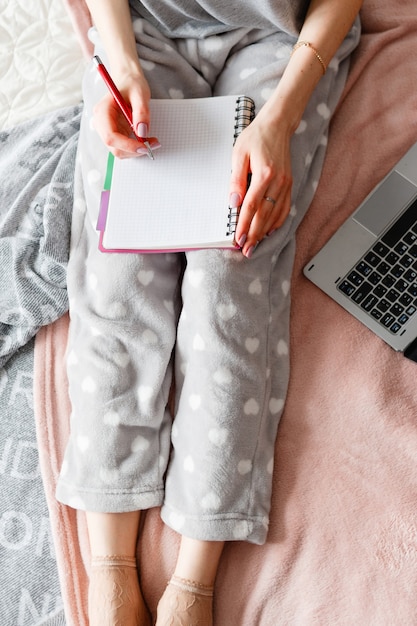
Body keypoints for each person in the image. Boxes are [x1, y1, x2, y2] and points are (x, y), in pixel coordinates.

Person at [56, 1, 362, 624]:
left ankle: (194, 580)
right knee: (119, 273)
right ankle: (109, 571)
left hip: (284, 40)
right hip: (143, 33)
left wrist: (279, 121)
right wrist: (118, 61)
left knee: (234, 270)